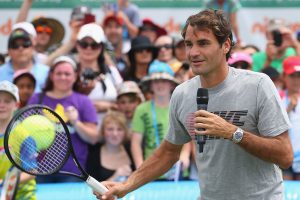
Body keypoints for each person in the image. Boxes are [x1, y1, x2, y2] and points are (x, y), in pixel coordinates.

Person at [94, 9, 293, 200]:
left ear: (226, 45)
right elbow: (168, 152)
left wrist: (233, 133)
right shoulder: (182, 94)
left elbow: (284, 155)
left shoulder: (258, 85)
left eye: (203, 43)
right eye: (189, 44)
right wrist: (126, 186)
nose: (193, 52)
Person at [28, 56, 98, 183]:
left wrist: (76, 122)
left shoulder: (84, 101)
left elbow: (93, 138)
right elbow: (25, 135)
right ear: (51, 75)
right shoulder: (36, 99)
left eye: (67, 74)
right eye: (59, 73)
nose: (63, 77)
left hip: (73, 172)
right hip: (39, 170)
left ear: (75, 76)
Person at [0, 81, 36, 199]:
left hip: (23, 196)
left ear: (16, 105)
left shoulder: (24, 135)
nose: (1, 105)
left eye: (7, 101)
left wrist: (7, 183)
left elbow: (32, 171)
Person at [87, 110, 134, 182]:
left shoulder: (132, 150)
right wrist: (115, 177)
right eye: (110, 129)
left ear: (125, 132)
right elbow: (91, 189)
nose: (115, 134)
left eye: (119, 129)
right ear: (103, 131)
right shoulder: (94, 153)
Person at [279, 56, 300, 180]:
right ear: (284, 76)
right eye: (293, 76)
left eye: (299, 75)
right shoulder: (277, 96)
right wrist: (288, 108)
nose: (297, 80)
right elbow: (272, 125)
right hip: (283, 157)